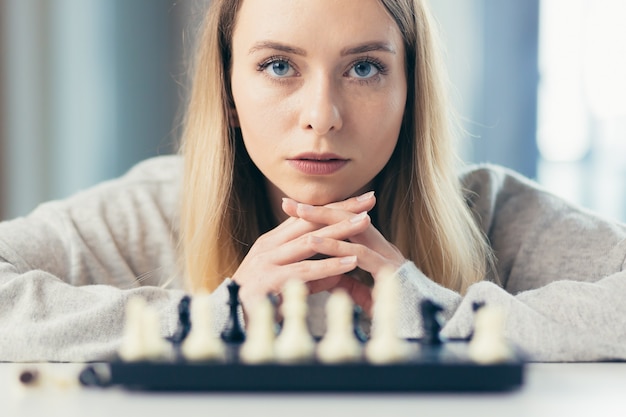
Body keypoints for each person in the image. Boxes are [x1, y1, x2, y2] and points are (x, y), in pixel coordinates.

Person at [1, 0, 625, 363]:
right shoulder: (148, 212)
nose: (321, 116)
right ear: (229, 89)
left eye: (363, 67)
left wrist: (437, 315)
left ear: (411, 88)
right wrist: (214, 314)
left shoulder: (495, 213)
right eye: (278, 66)